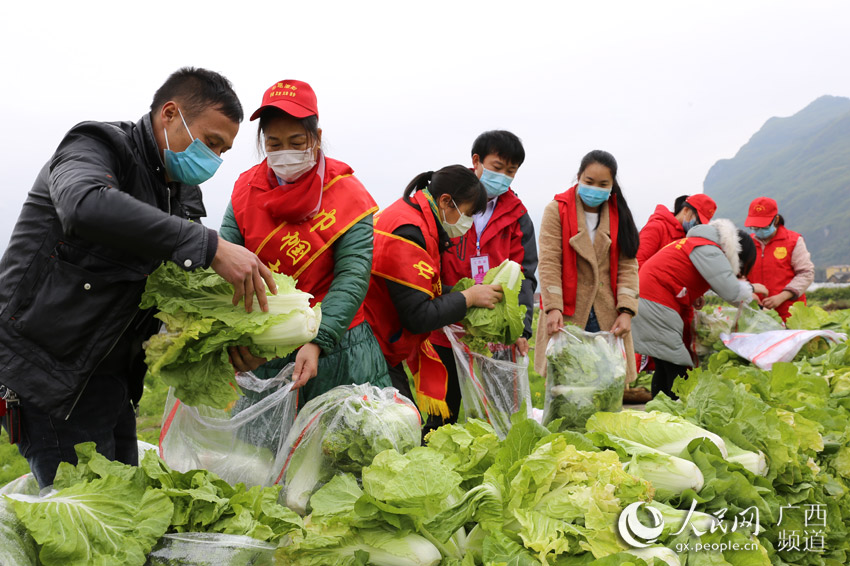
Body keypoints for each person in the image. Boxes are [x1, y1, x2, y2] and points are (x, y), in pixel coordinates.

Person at [0, 67, 275, 487]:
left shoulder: (181, 196)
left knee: (125, 506)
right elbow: (85, 206)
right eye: (211, 142)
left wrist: (228, 344)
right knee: (89, 527)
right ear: (170, 114)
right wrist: (211, 245)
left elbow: (169, 301)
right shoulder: (97, 146)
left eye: (224, 150)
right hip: (48, 377)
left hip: (109, 380)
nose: (215, 159)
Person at [220, 79, 390, 403]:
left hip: (339, 346)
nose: (285, 152)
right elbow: (225, 260)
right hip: (267, 348)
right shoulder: (245, 191)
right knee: (266, 450)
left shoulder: (347, 193)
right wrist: (236, 337)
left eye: (297, 142)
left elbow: (353, 276)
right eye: (274, 144)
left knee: (342, 447)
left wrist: (318, 340)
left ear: (317, 138)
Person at [364, 165, 502, 420]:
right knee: (400, 426)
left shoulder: (410, 215)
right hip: (369, 344)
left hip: (375, 338)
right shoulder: (409, 232)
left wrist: (466, 291)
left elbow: (420, 287)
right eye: (468, 214)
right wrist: (468, 298)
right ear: (446, 202)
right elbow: (418, 315)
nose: (468, 223)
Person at [427, 130, 538, 427]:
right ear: (476, 161)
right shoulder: (444, 199)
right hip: (445, 324)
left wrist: (521, 330)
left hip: (493, 329)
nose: (503, 176)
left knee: (500, 415)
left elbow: (525, 276)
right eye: (497, 167)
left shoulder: (517, 215)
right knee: (442, 413)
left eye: (511, 171)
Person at [536, 149, 641, 382]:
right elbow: (549, 261)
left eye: (603, 184)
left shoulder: (619, 214)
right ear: (579, 176)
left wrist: (626, 311)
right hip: (568, 313)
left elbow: (628, 266)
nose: (594, 188)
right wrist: (553, 307)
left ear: (612, 185)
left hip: (608, 314)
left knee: (606, 387)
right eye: (589, 181)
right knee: (565, 389)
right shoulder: (557, 210)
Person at [631, 219, 767, 398]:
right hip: (656, 303)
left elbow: (680, 273)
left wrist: (694, 294)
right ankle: (675, 412)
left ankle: (660, 408)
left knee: (665, 364)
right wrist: (754, 288)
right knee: (677, 365)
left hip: (649, 300)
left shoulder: (698, 243)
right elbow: (730, 290)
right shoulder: (709, 249)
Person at [744, 197, 814, 321]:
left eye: (763, 226)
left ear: (775, 220)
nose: (759, 230)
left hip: (789, 313)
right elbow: (740, 274)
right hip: (755, 313)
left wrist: (782, 296)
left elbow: (806, 273)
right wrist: (749, 292)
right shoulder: (747, 243)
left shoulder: (793, 240)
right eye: (755, 227)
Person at [636, 193, 717, 266]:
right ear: (686, 210)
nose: (698, 225)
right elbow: (637, 262)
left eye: (702, 224)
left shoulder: (689, 238)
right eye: (698, 220)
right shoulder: (657, 227)